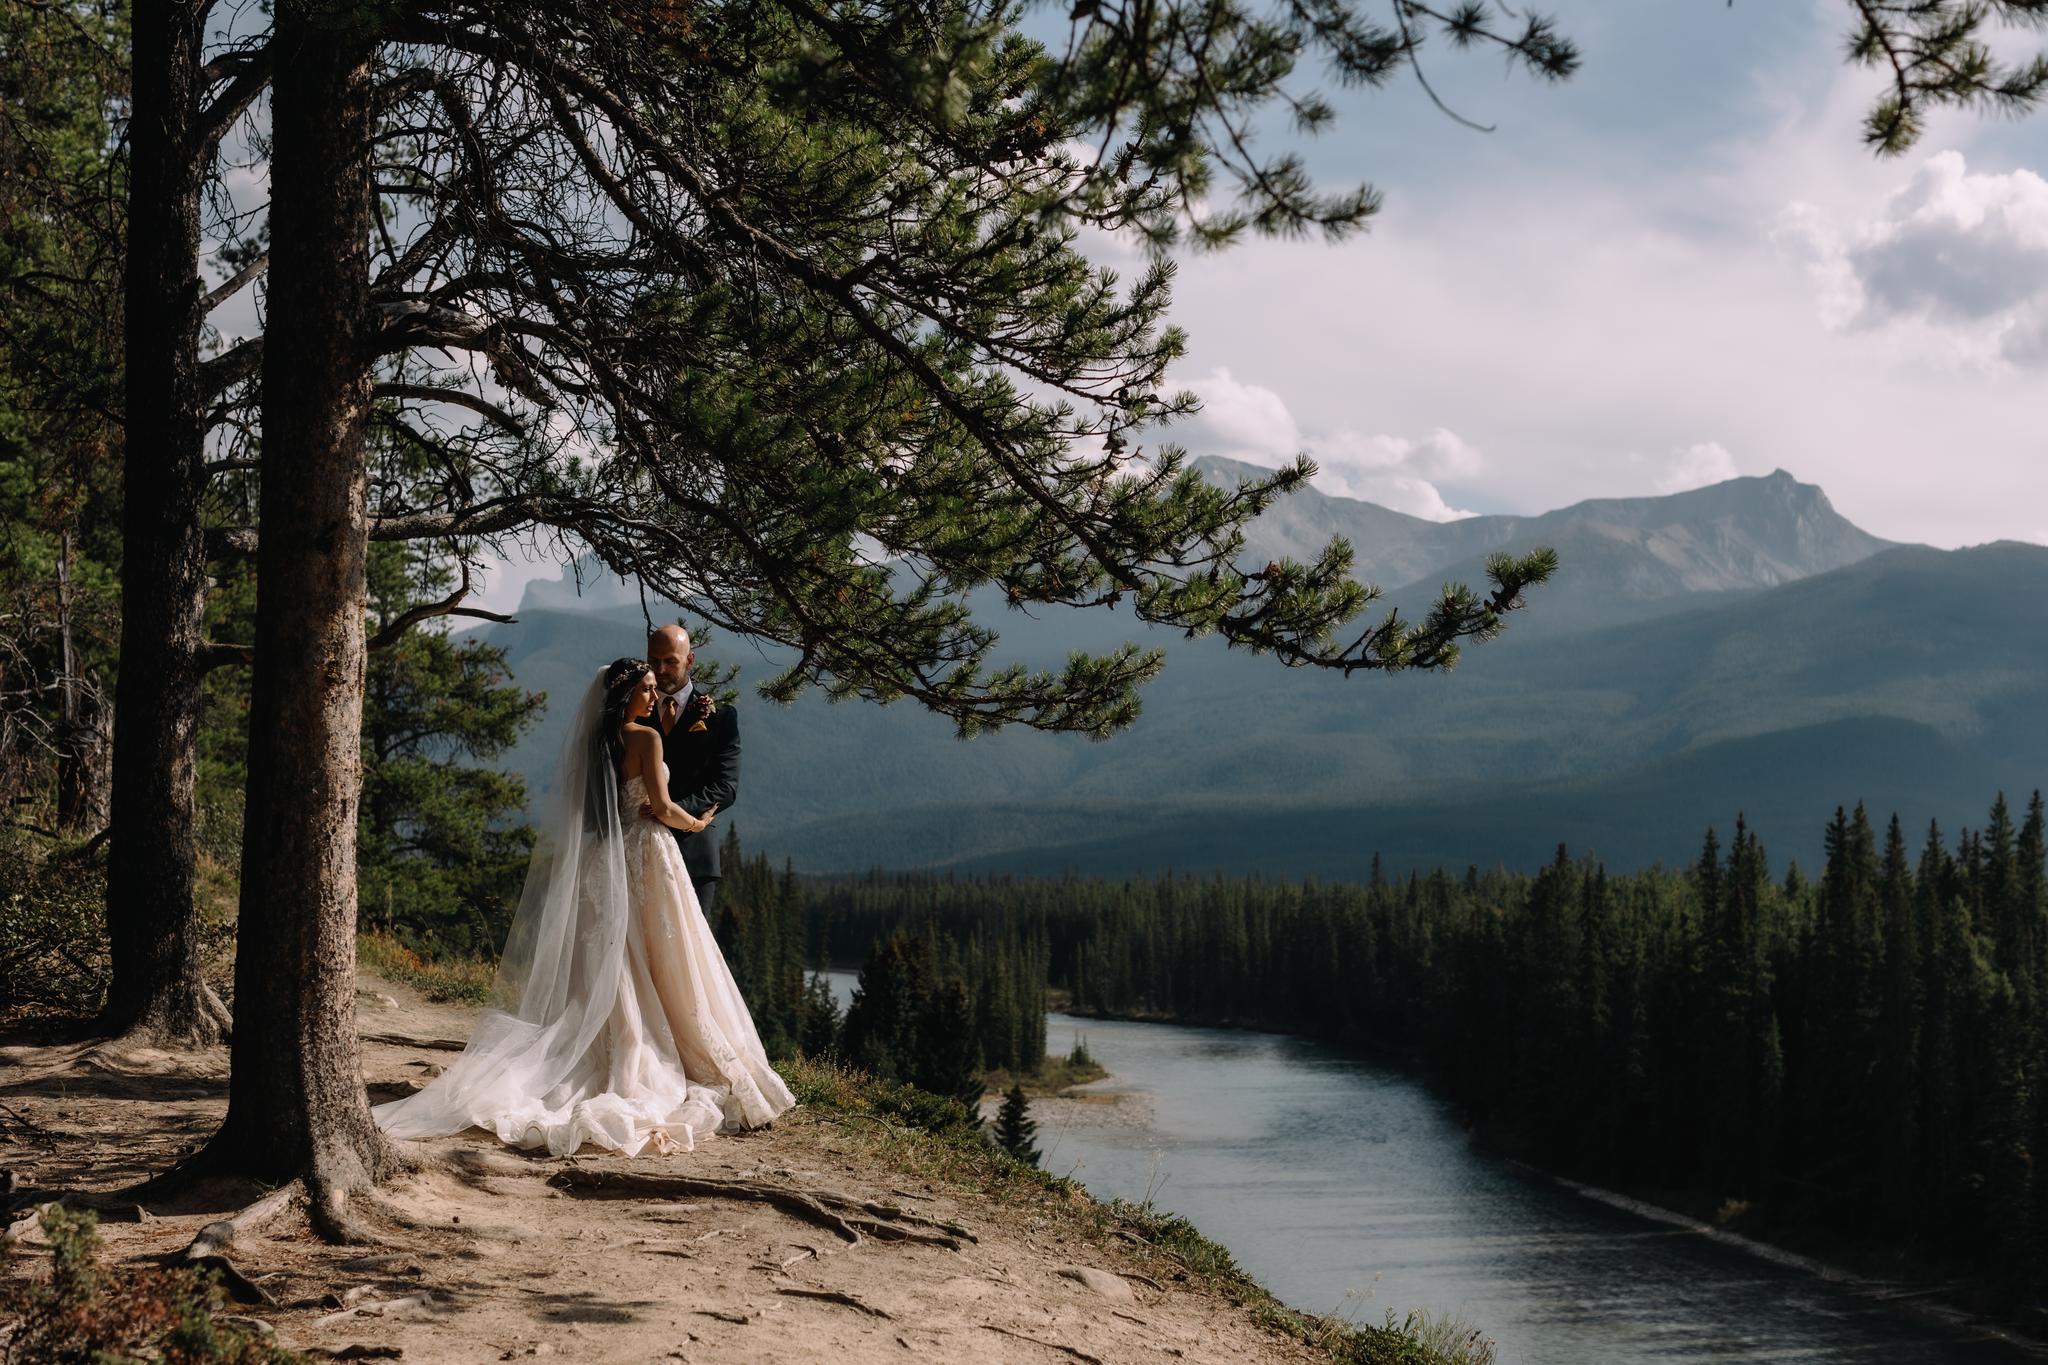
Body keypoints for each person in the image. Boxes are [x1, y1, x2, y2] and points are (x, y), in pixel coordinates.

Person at [372, 656, 796, 1157]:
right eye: (645, 686)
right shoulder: (646, 738)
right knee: (669, 953)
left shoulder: (598, 740)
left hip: (604, 857)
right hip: (648, 852)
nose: (653, 691)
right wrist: (696, 824)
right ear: (628, 694)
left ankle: (614, 1039)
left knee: (620, 956)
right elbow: (659, 807)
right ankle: (661, 1049)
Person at [646, 624, 737, 919]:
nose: (661, 669)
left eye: (670, 660)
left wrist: (671, 812)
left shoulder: (721, 715)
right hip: (638, 849)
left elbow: (727, 785)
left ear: (690, 660)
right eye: (654, 661)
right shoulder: (633, 712)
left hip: (695, 854)